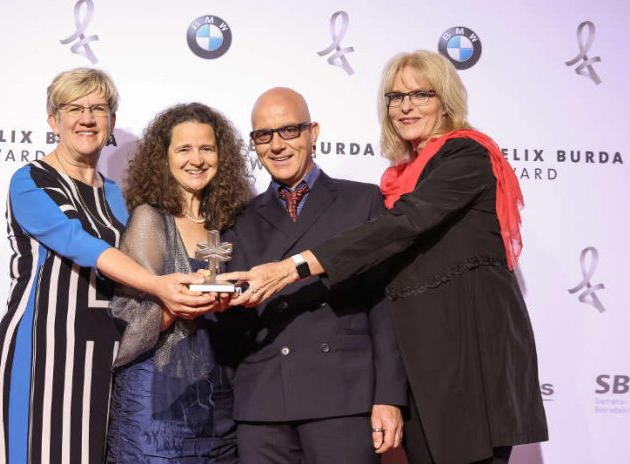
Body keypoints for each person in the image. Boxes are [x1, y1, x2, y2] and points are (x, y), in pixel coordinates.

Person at [222, 51, 549, 464]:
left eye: (420, 94)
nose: (405, 106)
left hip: (467, 352)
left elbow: (403, 225)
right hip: (425, 362)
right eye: (395, 97)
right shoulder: (400, 177)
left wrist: (295, 266)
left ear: (445, 99)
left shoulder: (465, 156)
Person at [0, 69, 214, 464]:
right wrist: (160, 285)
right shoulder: (30, 180)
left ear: (110, 120)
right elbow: (81, 245)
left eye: (98, 108)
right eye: (74, 108)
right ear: (53, 119)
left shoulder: (114, 193)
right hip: (45, 344)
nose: (87, 118)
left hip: (104, 351)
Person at [220, 87, 407, 464]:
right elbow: (233, 328)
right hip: (263, 406)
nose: (276, 145)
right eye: (263, 135)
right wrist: (220, 304)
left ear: (313, 132)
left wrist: (388, 396)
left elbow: (386, 306)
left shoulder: (363, 202)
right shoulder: (237, 219)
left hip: (343, 397)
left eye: (289, 130)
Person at [105, 102, 252, 463]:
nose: (196, 159)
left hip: (218, 402)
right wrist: (174, 308)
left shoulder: (231, 221)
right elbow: (124, 315)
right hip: (155, 405)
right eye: (184, 149)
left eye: (207, 148)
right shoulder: (150, 219)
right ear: (164, 158)